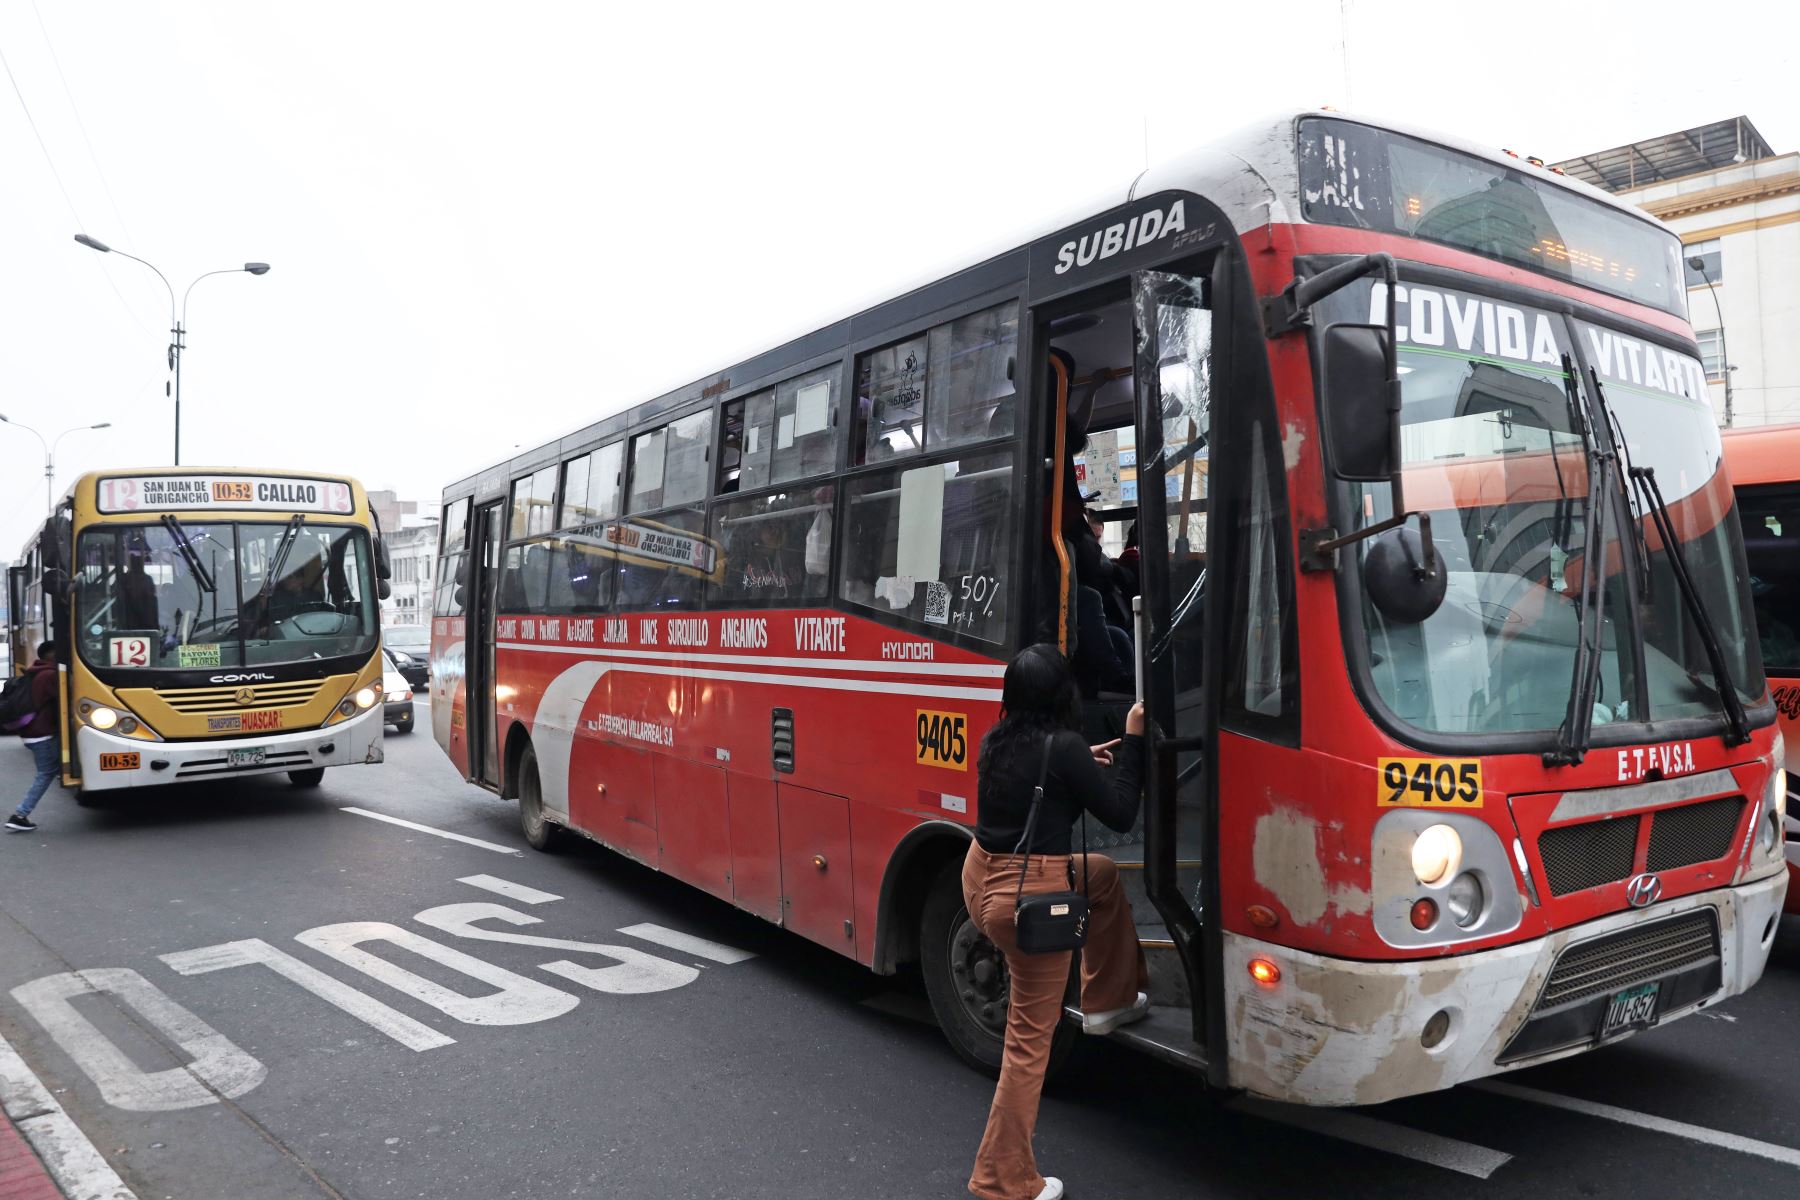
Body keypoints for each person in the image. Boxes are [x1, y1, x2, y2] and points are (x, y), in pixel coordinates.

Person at [961, 644, 1149, 1200]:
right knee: (1027, 1044)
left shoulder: (999, 740)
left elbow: (1037, 781)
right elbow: (1120, 812)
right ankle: (1003, 1178)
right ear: (1063, 694)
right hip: (1030, 899)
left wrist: (1078, 763)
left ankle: (1107, 997)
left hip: (981, 880)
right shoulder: (1063, 749)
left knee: (1103, 876)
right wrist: (1134, 739)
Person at [6, 642, 62, 833]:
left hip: (33, 733)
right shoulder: (49, 675)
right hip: (42, 734)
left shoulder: (36, 672)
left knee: (52, 769)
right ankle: (20, 815)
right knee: (45, 774)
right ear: (51, 656)